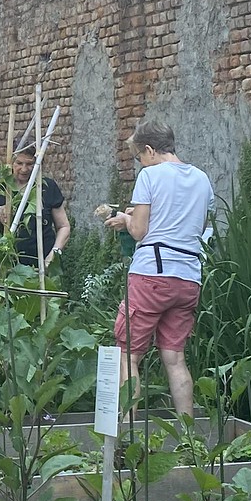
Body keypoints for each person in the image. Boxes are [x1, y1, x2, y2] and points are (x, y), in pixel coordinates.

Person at [103, 121, 214, 413]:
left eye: (140, 156)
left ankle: (128, 441)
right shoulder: (202, 179)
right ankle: (189, 441)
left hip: (151, 274)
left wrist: (127, 220)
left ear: (150, 150)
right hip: (189, 277)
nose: (140, 163)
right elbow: (198, 227)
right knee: (175, 358)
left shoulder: (150, 176)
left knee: (128, 355)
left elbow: (139, 231)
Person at [0, 136, 69, 268]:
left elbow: (64, 227)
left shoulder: (46, 187)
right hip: (2, 263)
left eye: (30, 164)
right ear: (11, 161)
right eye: (19, 163)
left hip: (40, 263)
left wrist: (53, 255)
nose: (24, 169)